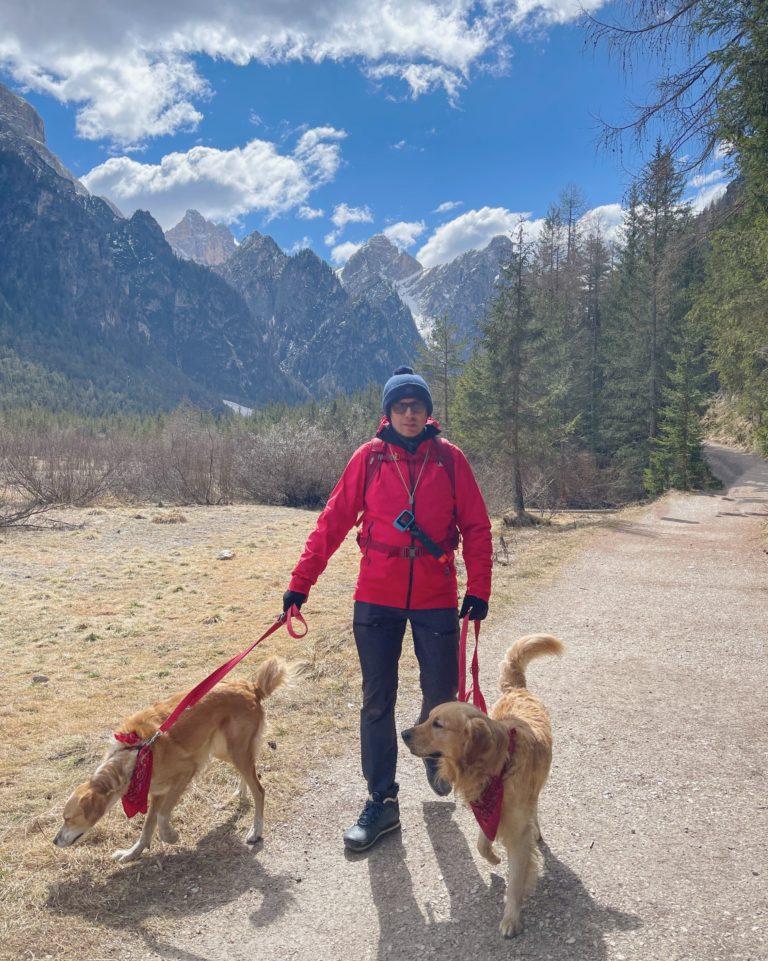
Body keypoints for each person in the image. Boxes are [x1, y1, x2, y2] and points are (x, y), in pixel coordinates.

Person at [282, 366, 492, 851]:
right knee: (378, 699)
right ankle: (382, 800)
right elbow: (332, 522)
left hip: (436, 597)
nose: (410, 413)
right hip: (376, 596)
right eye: (401, 406)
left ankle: (435, 751)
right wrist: (300, 583)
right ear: (388, 413)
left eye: (418, 406)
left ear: (428, 413)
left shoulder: (450, 460)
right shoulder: (370, 459)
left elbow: (478, 527)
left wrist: (478, 587)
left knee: (441, 692)